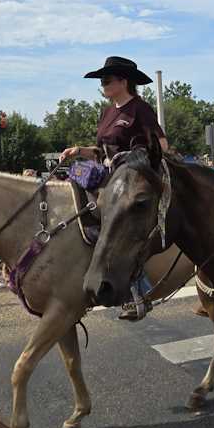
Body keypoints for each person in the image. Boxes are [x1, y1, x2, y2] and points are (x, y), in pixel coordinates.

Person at [60, 56, 168, 320]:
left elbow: (162, 146)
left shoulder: (140, 109)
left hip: (133, 176)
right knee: (67, 185)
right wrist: (78, 151)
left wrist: (133, 158)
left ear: (123, 81)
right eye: (102, 80)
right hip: (109, 174)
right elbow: (101, 150)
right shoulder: (107, 112)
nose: (103, 84)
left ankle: (137, 292)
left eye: (107, 79)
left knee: (118, 219)